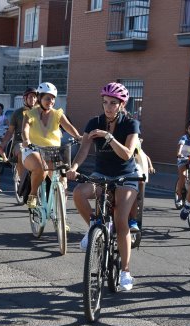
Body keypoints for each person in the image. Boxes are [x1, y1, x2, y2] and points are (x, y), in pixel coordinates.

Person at [67, 82, 140, 291]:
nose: (108, 107)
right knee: (79, 193)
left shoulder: (131, 124)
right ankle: (93, 227)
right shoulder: (94, 123)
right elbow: (83, 151)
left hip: (127, 175)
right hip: (101, 173)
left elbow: (127, 153)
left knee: (120, 219)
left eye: (113, 103)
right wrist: (74, 168)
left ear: (122, 104)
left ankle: (125, 271)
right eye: (105, 102)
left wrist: (109, 137)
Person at [22, 82, 82, 208]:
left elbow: (69, 127)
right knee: (40, 167)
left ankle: (61, 218)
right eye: (48, 98)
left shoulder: (57, 114)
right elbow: (25, 129)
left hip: (53, 151)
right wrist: (26, 140)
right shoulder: (30, 113)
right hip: (33, 150)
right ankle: (32, 195)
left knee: (62, 182)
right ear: (39, 98)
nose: (51, 101)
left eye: (53, 98)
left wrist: (78, 137)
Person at [0, 87, 37, 188]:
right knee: (21, 150)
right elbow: (10, 131)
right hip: (20, 141)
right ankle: (22, 180)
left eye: (35, 97)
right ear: (25, 98)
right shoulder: (17, 113)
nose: (33, 99)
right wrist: (3, 144)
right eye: (31, 97)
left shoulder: (40, 112)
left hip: (37, 141)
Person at [175, 119, 190, 208]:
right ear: (187, 129)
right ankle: (179, 197)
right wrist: (179, 153)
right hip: (183, 159)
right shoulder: (184, 137)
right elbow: (181, 145)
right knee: (183, 176)